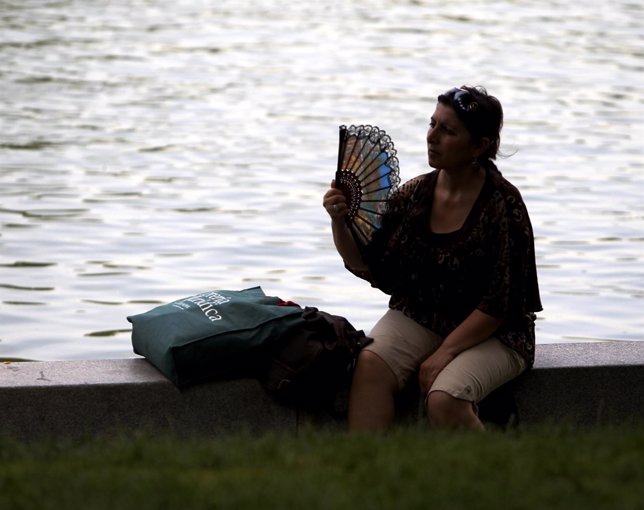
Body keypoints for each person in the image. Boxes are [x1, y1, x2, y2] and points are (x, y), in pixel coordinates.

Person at [323, 86, 542, 431]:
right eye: (432, 124)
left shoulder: (503, 204)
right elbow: (366, 262)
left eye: (448, 130)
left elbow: (498, 305)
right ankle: (367, 473)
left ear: (480, 146)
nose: (432, 136)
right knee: (369, 364)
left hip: (497, 332)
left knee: (444, 398)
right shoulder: (414, 195)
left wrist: (443, 354)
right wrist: (339, 220)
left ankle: (498, 481)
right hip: (425, 315)